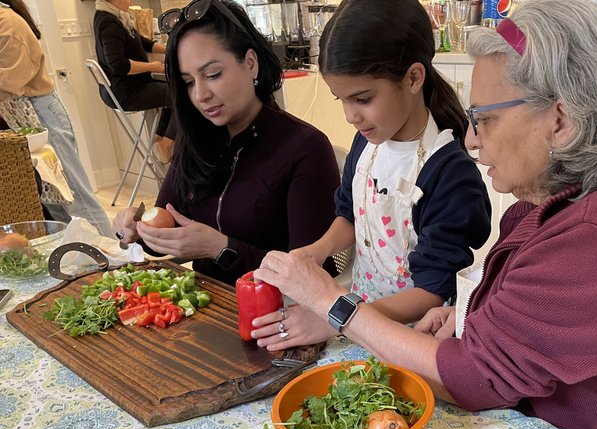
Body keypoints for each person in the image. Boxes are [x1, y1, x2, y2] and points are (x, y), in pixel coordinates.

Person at [255, 0, 597, 429]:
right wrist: (465, 316)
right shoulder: (589, 198)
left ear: (561, 119)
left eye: (482, 119)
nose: (470, 138)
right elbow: (532, 326)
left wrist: (333, 303)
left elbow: (471, 380)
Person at [251, 0, 492, 350]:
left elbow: (431, 290)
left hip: (414, 336)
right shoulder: (370, 140)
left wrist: (334, 315)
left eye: (362, 98)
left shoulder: (449, 174)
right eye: (341, 100)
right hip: (357, 313)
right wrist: (314, 252)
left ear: (413, 78)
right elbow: (350, 213)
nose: (351, 115)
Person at [112, 0, 340, 286]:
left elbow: (309, 276)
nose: (201, 95)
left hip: (282, 316)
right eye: (188, 82)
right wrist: (135, 225)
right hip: (209, 305)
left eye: (213, 75)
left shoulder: (305, 148)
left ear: (250, 63)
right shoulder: (196, 139)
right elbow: (166, 229)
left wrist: (220, 248)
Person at [0, 0, 114, 236]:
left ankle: (116, 265)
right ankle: (85, 264)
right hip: (26, 119)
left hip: (41, 115)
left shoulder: (8, 23)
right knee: (55, 203)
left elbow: (8, 82)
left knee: (76, 200)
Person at [93, 0, 174, 160]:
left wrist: (169, 49)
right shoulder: (108, 22)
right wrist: (152, 66)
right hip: (126, 92)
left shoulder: (115, 16)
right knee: (182, 95)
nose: (130, 0)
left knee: (176, 89)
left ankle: (161, 139)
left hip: (124, 88)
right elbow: (118, 65)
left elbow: (141, 42)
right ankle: (167, 142)